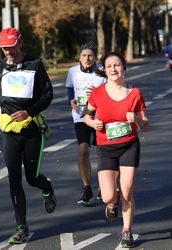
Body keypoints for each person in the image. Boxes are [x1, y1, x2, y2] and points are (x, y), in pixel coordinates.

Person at [0, 27, 56, 244]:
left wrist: (29, 112)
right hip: (9, 131)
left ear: (20, 43)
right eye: (4, 48)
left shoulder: (34, 65)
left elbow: (48, 94)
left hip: (32, 130)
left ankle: (47, 188)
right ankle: (21, 227)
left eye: (11, 46)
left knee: (32, 177)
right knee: (14, 179)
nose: (8, 51)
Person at [84, 52, 149, 248]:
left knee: (127, 192)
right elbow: (87, 116)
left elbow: (145, 124)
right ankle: (113, 204)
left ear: (124, 68)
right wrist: (92, 123)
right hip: (106, 148)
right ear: (105, 70)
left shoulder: (135, 94)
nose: (113, 69)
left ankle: (127, 231)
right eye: (109, 66)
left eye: (117, 65)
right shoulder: (98, 93)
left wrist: (136, 120)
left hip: (129, 145)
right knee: (108, 196)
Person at [65, 41, 106, 206]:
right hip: (80, 115)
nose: (87, 58)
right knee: (83, 150)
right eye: (84, 55)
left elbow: (111, 89)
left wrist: (98, 94)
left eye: (90, 56)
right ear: (79, 57)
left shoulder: (103, 71)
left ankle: (104, 186)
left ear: (95, 57)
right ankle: (86, 187)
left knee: (102, 151)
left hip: (99, 116)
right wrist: (70, 101)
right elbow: (69, 88)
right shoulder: (72, 71)